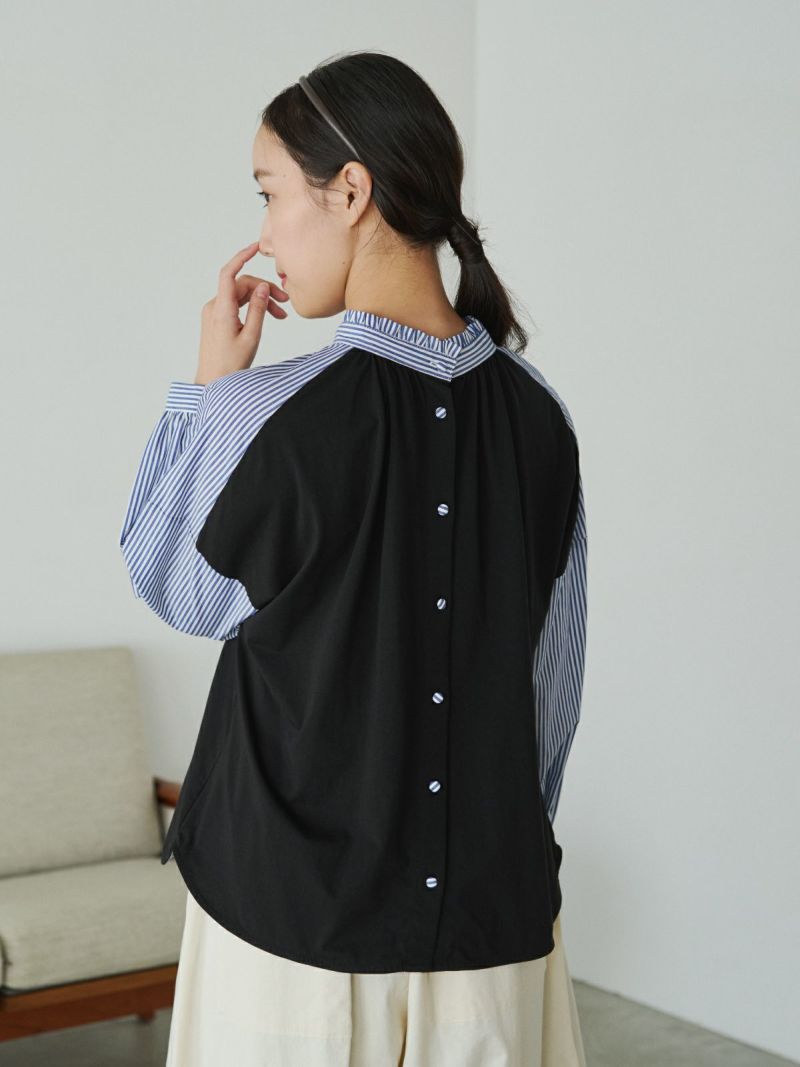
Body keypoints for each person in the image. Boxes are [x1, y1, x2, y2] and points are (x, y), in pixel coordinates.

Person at [120, 48, 588, 1067]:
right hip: (492, 933)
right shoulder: (541, 418)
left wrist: (205, 391)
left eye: (270, 193)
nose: (263, 232)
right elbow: (549, 692)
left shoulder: (262, 411)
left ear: (350, 190)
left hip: (289, 939)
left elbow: (176, 583)